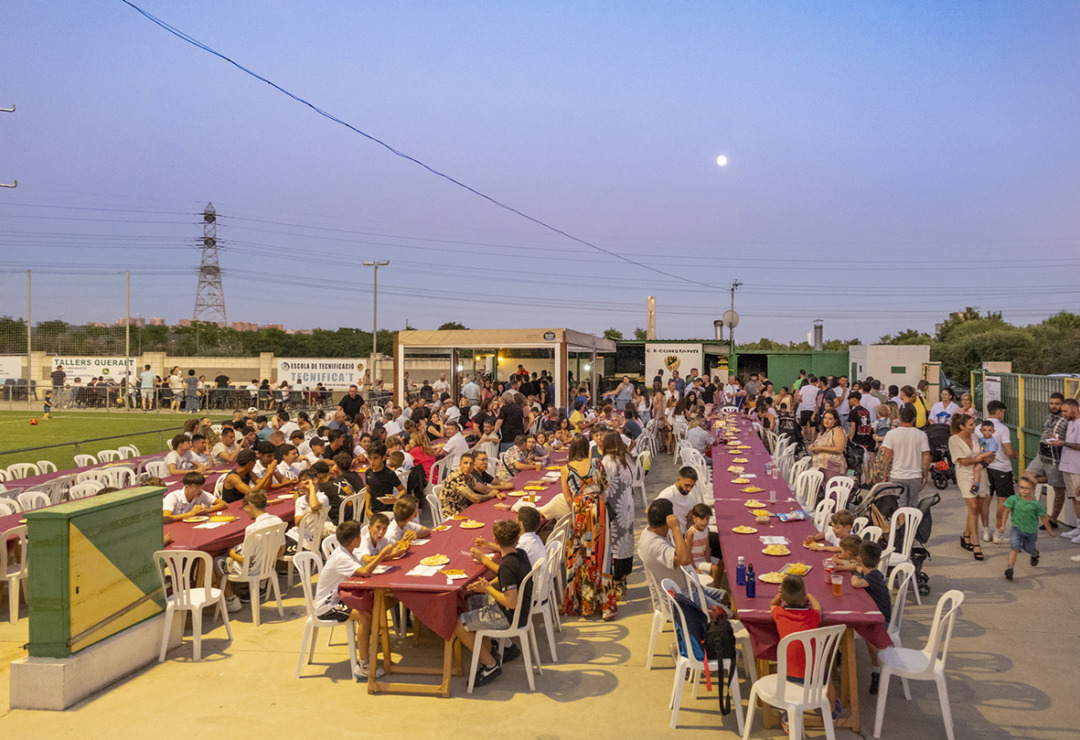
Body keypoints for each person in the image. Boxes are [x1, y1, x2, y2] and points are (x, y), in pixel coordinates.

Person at [451, 519, 534, 686]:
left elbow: (510, 602)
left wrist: (488, 589)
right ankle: (497, 649)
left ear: (496, 540)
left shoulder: (507, 566)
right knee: (471, 601)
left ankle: (490, 664)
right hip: (523, 611)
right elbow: (507, 576)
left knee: (457, 623)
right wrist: (487, 585)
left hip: (509, 616)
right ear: (517, 539)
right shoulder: (520, 554)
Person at [313, 520, 397, 680]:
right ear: (355, 540)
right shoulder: (341, 557)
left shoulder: (348, 552)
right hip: (328, 605)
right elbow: (365, 572)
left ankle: (371, 645)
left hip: (340, 596)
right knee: (365, 616)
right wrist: (383, 554)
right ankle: (363, 665)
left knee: (373, 607)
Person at [560, 435, 615, 620]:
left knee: (582, 556)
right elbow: (604, 486)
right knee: (602, 554)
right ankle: (605, 605)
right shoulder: (597, 463)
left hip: (580, 511)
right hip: (598, 510)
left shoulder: (565, 469)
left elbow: (568, 497)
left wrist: (578, 509)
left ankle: (584, 604)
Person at [769, 575, 838, 716]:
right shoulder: (812, 615)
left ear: (784, 597)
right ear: (803, 597)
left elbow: (772, 604)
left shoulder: (780, 614)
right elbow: (818, 608)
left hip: (786, 674)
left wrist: (779, 596)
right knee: (828, 678)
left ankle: (788, 717)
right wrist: (810, 596)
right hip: (814, 675)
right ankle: (831, 713)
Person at [215, 491, 285, 611]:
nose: (245, 511)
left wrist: (231, 553)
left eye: (245, 508)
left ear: (250, 505)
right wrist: (266, 559)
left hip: (251, 570)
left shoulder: (251, 529)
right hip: (268, 567)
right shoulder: (278, 521)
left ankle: (231, 601)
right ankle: (260, 583)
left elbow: (247, 560)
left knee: (215, 560)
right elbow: (281, 550)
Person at [949, 414, 993, 560]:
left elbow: (987, 455)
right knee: (973, 507)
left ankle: (966, 535)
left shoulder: (975, 437)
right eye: (971, 424)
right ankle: (976, 543)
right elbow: (963, 461)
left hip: (979, 473)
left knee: (978, 507)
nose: (975, 426)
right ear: (962, 427)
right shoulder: (954, 440)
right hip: (965, 475)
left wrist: (978, 460)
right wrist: (979, 458)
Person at [851, 541, 892, 695]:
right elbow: (857, 568)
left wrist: (854, 577)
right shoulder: (873, 572)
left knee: (868, 637)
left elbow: (857, 583)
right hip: (875, 614)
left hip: (881, 621)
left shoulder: (873, 577)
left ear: (859, 558)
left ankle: (877, 670)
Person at [599, 431, 636, 599]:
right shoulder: (628, 459)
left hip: (614, 507)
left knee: (615, 545)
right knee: (626, 541)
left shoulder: (608, 462)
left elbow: (604, 486)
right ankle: (623, 579)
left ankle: (617, 582)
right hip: (627, 504)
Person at [1025, 392, 1068, 528]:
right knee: (1026, 477)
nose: (1054, 406)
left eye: (1057, 404)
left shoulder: (1066, 420)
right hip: (1042, 455)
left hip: (1055, 458)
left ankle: (1053, 519)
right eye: (1052, 403)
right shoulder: (1047, 418)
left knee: (1058, 488)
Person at [1003, 474, 1057, 581]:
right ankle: (1010, 569)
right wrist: (1002, 525)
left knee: (1029, 548)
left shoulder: (1036, 505)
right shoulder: (1014, 499)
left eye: (1027, 488)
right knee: (1014, 546)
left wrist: (1050, 531)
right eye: (1021, 487)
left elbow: (1044, 519)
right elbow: (1006, 511)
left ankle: (1034, 553)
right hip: (1017, 528)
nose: (1023, 490)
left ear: (1033, 489)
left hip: (1031, 531)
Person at [879, 406, 930, 508]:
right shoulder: (921, 435)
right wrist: (925, 475)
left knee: (900, 504)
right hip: (915, 475)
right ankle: (911, 522)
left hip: (897, 475)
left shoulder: (891, 434)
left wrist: (884, 475)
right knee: (912, 504)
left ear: (900, 418)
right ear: (914, 419)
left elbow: (886, 457)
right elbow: (926, 457)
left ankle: (902, 523)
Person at [1049, 398, 1080, 554]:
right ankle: (1078, 528)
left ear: (1075, 408)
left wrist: (1062, 443)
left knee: (1079, 498)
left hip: (1077, 468)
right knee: (1074, 498)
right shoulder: (1071, 423)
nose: (1063, 414)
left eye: (1066, 411)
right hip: (1067, 465)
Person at [985, 400, 1018, 544]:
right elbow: (1008, 451)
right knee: (1003, 502)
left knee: (985, 501)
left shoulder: (980, 427)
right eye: (1003, 412)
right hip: (1002, 467)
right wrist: (1016, 454)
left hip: (986, 467)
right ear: (998, 411)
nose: (1003, 415)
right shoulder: (1003, 429)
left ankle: (986, 531)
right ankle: (999, 532)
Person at [439, 452, 505, 519]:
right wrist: (490, 495)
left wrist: (496, 492)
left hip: (464, 509)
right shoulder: (456, 478)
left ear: (473, 466)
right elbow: (475, 498)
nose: (468, 466)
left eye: (471, 464)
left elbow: (481, 488)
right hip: (452, 514)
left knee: (490, 514)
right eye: (465, 463)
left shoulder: (469, 476)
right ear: (460, 465)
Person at [162, 471, 226, 522]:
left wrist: (206, 510)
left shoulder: (200, 493)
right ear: (187, 487)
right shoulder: (173, 497)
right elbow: (165, 518)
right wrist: (190, 514)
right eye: (197, 486)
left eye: (201, 486)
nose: (201, 489)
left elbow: (223, 504)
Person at [364, 442, 405, 518]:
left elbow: (402, 490)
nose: (372, 462)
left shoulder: (389, 474)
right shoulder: (368, 472)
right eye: (370, 458)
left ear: (383, 458)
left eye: (376, 458)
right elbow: (368, 492)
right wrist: (367, 509)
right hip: (374, 511)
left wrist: (396, 500)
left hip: (388, 512)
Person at [686, 503, 723, 589]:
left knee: (721, 564)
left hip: (703, 558)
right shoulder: (691, 533)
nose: (705, 522)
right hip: (695, 561)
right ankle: (714, 591)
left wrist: (709, 561)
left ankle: (716, 585)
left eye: (707, 519)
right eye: (702, 519)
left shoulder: (706, 529)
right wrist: (694, 568)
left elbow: (707, 548)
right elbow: (688, 553)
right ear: (694, 518)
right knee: (714, 569)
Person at [808, 408, 847, 484]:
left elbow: (839, 449)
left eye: (830, 419)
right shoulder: (823, 432)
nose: (826, 421)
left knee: (832, 492)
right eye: (825, 418)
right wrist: (813, 446)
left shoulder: (837, 430)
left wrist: (820, 448)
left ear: (835, 420)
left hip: (833, 467)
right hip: (821, 466)